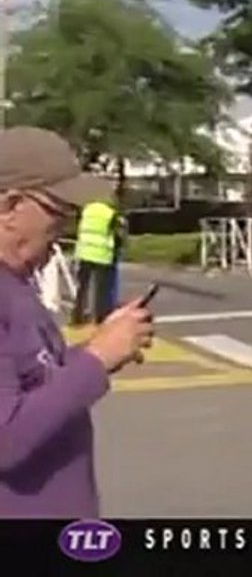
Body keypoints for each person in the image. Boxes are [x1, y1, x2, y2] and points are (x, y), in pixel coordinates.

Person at [0, 126, 154, 517]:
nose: (66, 227)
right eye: (60, 211)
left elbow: (32, 376)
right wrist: (98, 359)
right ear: (10, 207)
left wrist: (102, 346)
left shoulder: (14, 282)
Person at [70, 198, 124, 326]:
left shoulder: (87, 210)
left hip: (84, 252)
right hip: (102, 254)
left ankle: (77, 317)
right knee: (101, 290)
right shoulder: (111, 214)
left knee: (82, 288)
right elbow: (119, 234)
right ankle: (101, 318)